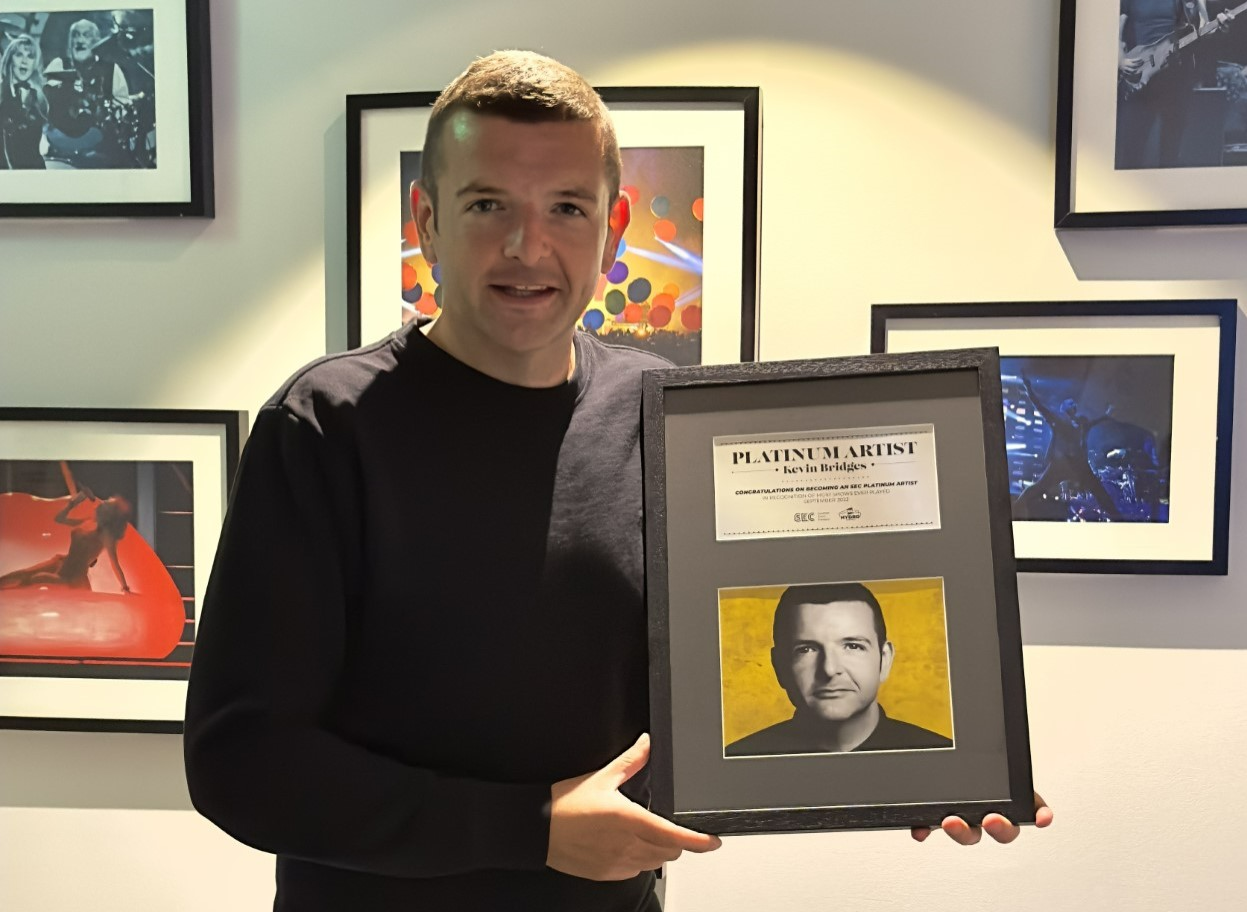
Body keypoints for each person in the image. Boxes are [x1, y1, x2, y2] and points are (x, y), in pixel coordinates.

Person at [184, 51, 1049, 912]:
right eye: (488, 204)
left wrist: (926, 762)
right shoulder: (327, 425)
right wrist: (531, 828)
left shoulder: (658, 413)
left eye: (567, 207)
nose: (529, 246)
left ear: (615, 228)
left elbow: (712, 691)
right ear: (426, 221)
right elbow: (242, 761)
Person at [726, 582, 952, 757]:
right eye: (806, 649)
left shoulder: (942, 754)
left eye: (853, 646)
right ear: (779, 666)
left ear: (884, 660)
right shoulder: (738, 759)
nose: (829, 669)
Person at [1116, 0, 1211, 168]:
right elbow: (1115, 29)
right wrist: (1120, 59)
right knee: (1132, 151)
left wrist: (1219, 23)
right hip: (1142, 74)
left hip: (1175, 77)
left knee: (1171, 153)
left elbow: (1204, 26)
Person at [1013, 374, 1120, 520]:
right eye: (1070, 403)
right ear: (1064, 408)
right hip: (1060, 464)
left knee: (1099, 492)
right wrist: (1028, 388)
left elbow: (1095, 422)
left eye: (1073, 403)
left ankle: (1119, 518)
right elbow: (1040, 406)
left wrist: (1107, 414)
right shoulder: (1058, 420)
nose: (1073, 405)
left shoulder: (1082, 422)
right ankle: (1016, 508)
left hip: (1079, 466)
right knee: (1038, 487)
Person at [0, 487, 131, 592]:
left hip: (73, 577)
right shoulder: (88, 522)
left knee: (35, 579)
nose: (103, 502)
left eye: (108, 503)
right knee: (23, 574)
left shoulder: (106, 536)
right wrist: (74, 502)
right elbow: (59, 519)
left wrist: (125, 588)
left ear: (110, 515)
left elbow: (115, 564)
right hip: (62, 563)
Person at [43, 18, 132, 168]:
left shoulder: (111, 70)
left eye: (86, 35)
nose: (80, 40)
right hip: (61, 151)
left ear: (98, 42)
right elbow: (45, 105)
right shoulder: (58, 65)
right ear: (69, 42)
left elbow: (122, 109)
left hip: (100, 151)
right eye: (76, 35)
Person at [0, 32, 49, 169]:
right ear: (10, 58)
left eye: (30, 56)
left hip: (35, 173)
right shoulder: (1, 94)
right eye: (19, 54)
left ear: (35, 63)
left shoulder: (39, 98)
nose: (24, 61)